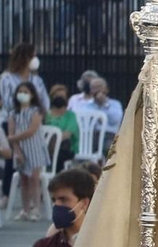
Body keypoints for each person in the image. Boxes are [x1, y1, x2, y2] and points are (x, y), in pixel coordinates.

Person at [7, 79, 48, 221]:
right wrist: (17, 150)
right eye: (20, 92)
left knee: (34, 179)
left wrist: (13, 138)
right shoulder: (13, 113)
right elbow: (11, 132)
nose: (22, 94)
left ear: (32, 95)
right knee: (23, 180)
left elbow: (31, 130)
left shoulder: (36, 111)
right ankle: (25, 209)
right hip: (20, 150)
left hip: (35, 148)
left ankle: (36, 208)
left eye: (25, 92)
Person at [30, 168, 95, 247]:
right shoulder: (44, 245)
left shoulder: (105, 241)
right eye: (54, 200)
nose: (56, 204)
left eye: (64, 199)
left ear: (84, 203)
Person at [0, 42, 49, 113]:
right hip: (10, 119)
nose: (35, 59)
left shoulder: (37, 80)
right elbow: (7, 103)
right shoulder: (6, 79)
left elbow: (45, 102)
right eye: (33, 56)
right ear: (24, 58)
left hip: (35, 118)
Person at [43, 90, 77, 170]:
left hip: (65, 147)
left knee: (58, 154)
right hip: (45, 146)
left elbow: (68, 134)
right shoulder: (45, 115)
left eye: (62, 96)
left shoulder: (70, 115)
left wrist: (53, 140)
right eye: (56, 96)